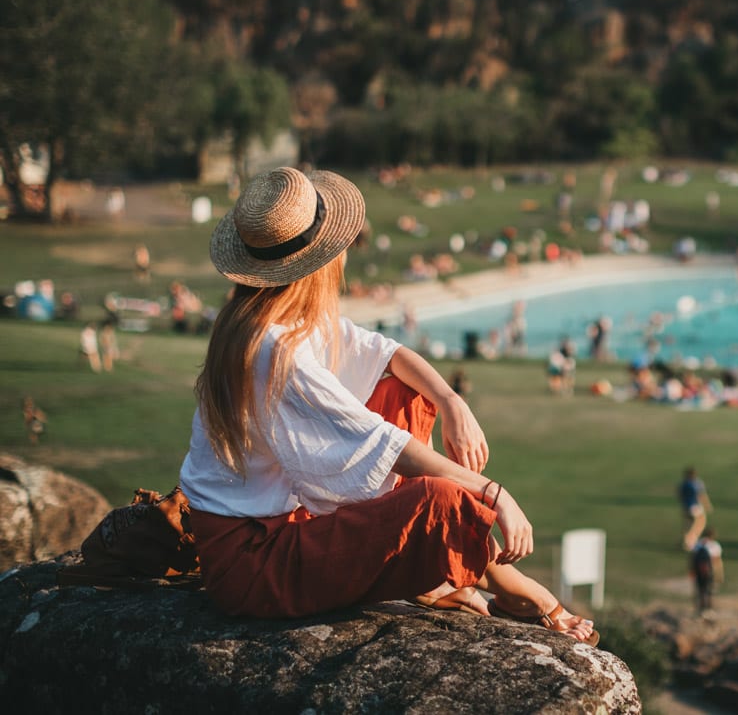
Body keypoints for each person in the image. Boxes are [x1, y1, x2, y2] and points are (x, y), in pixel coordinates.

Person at [178, 167, 597, 644]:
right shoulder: (273, 349)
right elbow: (386, 446)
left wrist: (451, 400)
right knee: (439, 500)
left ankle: (439, 570)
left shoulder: (270, 313)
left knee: (408, 391)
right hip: (255, 561)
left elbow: (388, 355)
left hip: (280, 518)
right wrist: (493, 494)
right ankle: (503, 582)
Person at [689, 527, 724, 615]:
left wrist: (692, 570)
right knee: (709, 590)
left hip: (698, 570)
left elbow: (693, 558)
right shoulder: (715, 545)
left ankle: (699, 608)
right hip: (710, 570)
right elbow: (717, 560)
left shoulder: (698, 544)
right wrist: (720, 573)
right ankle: (709, 608)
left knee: (699, 589)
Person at [678, 467, 712, 551]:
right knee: (700, 523)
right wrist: (707, 505)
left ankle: (688, 541)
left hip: (686, 507)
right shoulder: (697, 483)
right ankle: (689, 541)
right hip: (695, 506)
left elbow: (680, 495)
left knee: (689, 525)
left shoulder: (684, 484)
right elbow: (701, 495)